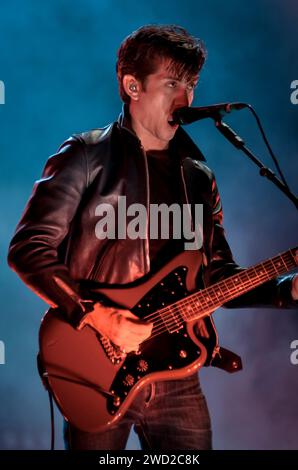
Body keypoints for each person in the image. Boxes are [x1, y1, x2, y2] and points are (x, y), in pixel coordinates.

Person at [8, 24, 298, 450]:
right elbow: (28, 249)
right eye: (172, 83)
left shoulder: (197, 177)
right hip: (96, 367)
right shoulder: (85, 156)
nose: (186, 99)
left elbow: (218, 277)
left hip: (177, 373)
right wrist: (98, 316)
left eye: (192, 85)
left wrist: (286, 290)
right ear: (132, 86)